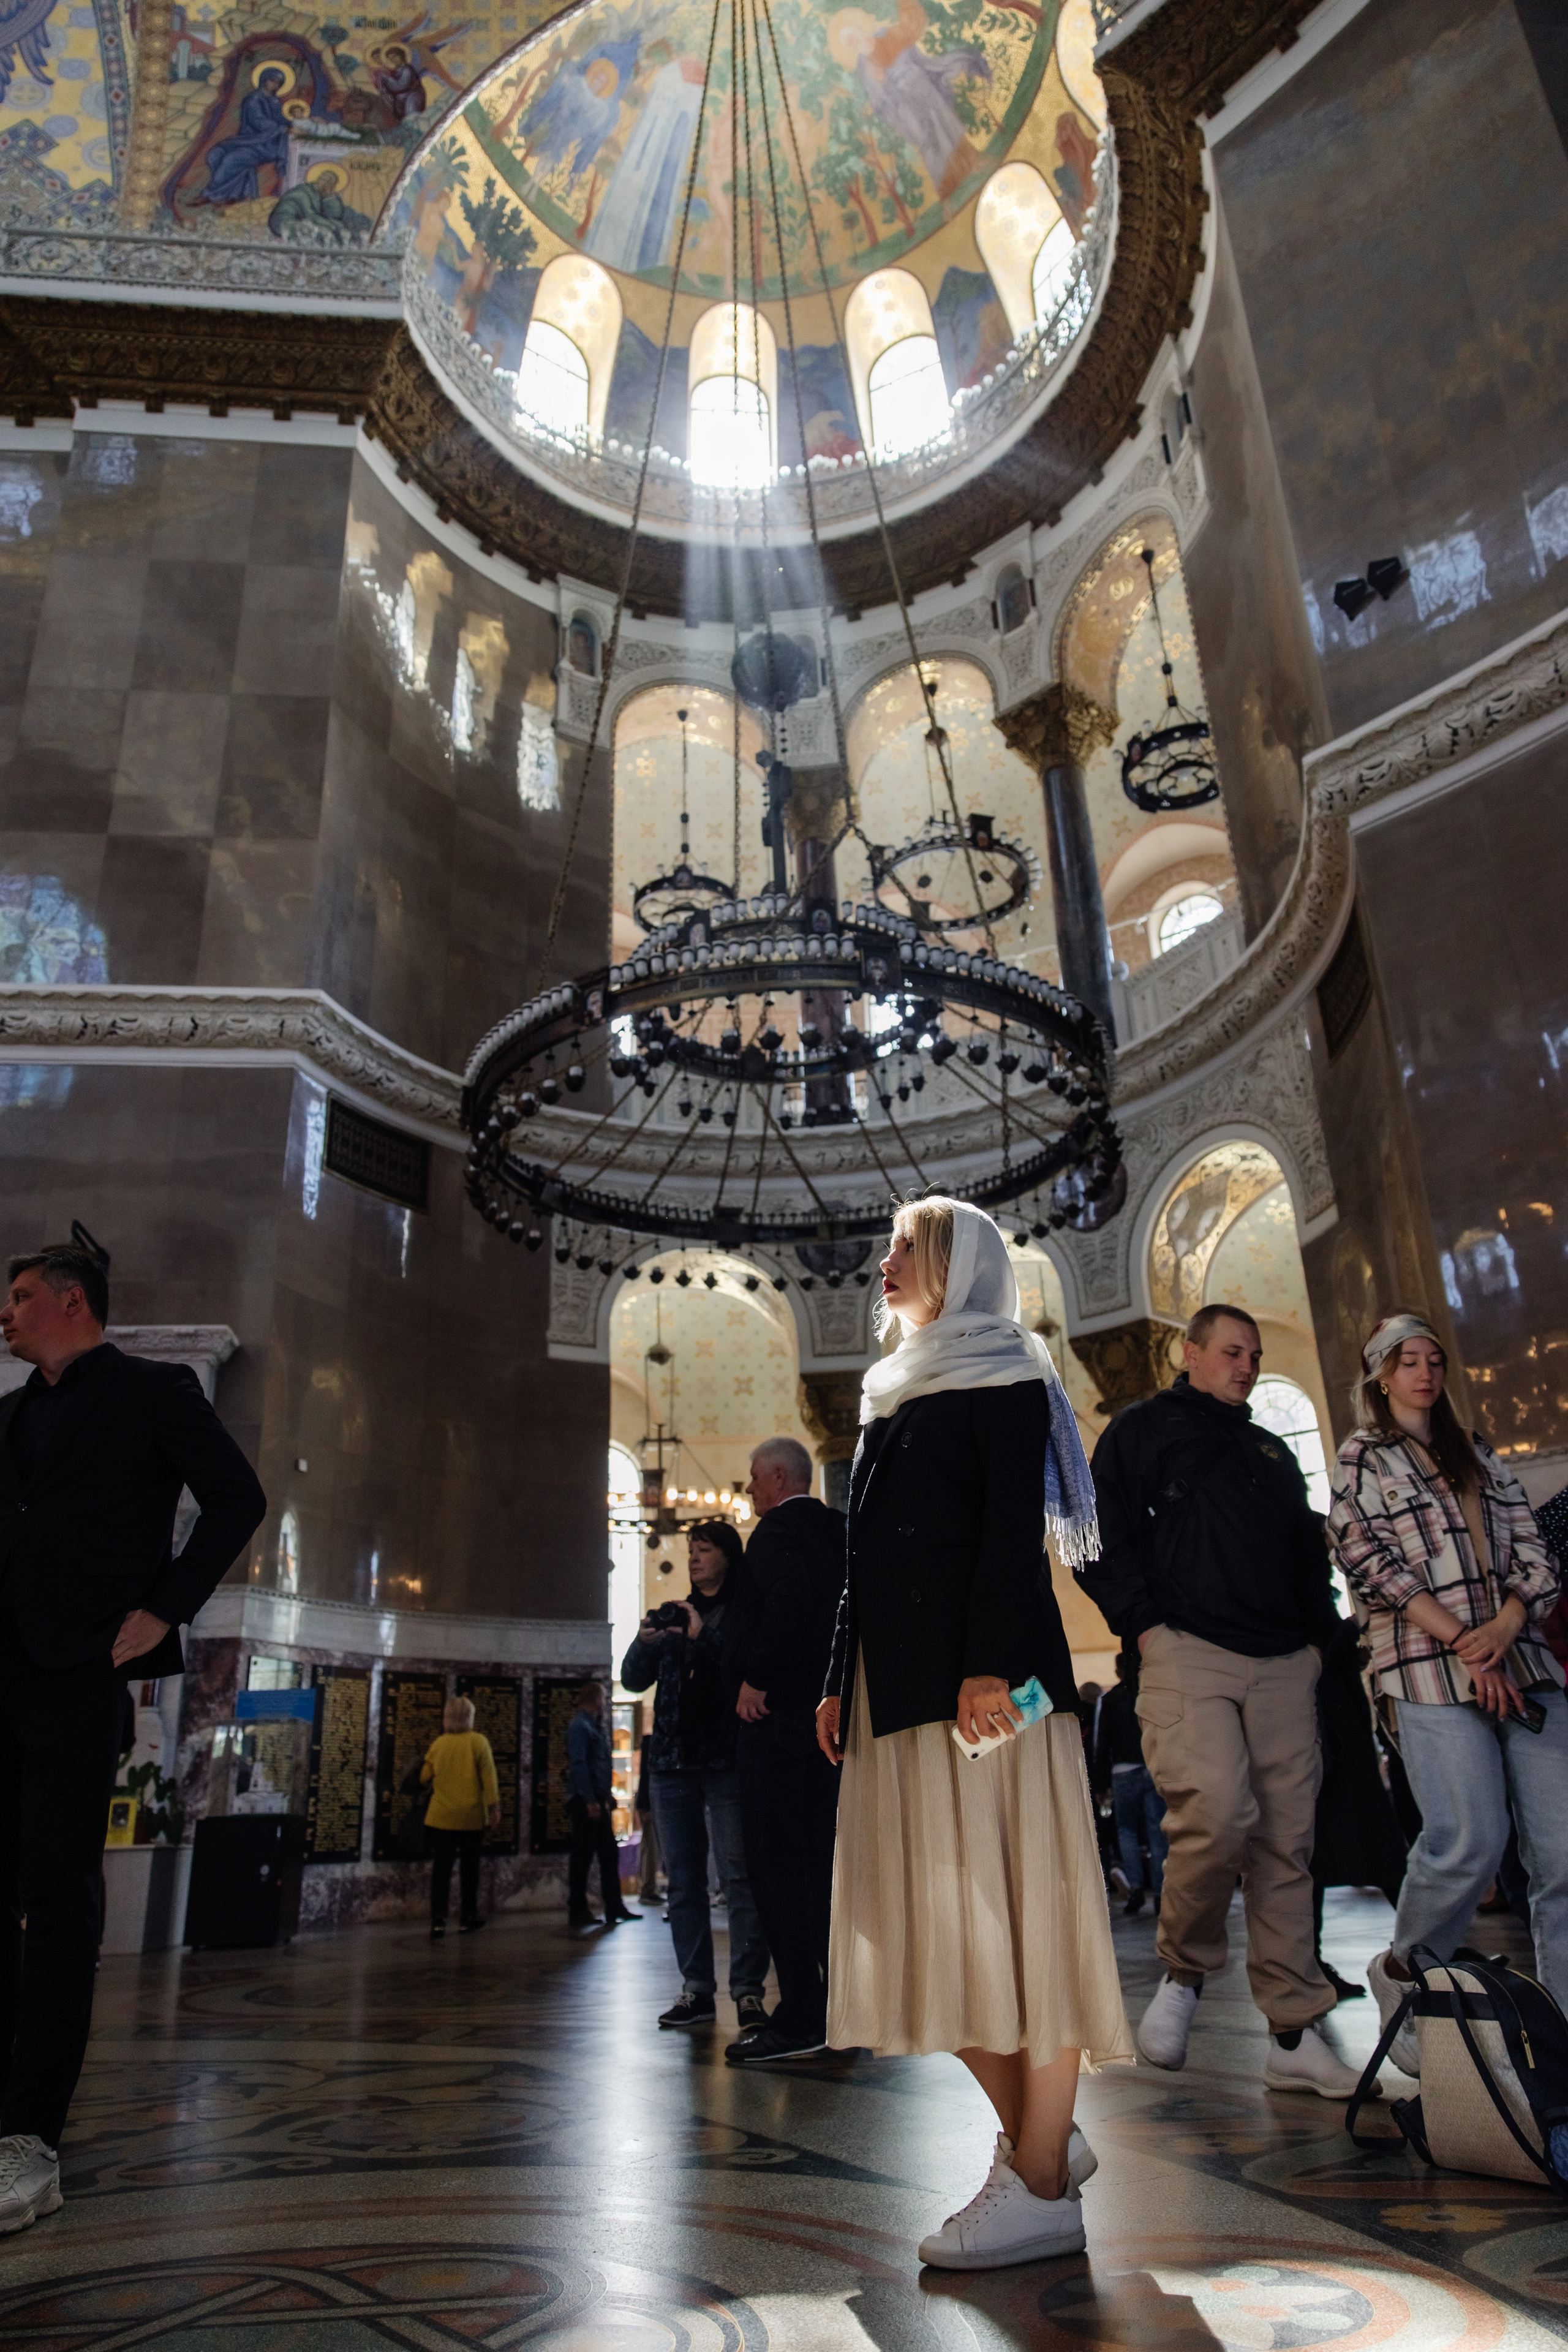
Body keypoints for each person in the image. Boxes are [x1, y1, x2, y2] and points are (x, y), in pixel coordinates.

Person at [818, 1197, 1130, 2274]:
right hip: (894, 1693)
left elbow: (1011, 1534)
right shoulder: (888, 1391)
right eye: (895, 1245)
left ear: (961, 1268)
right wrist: (832, 1681)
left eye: (911, 1247)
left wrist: (990, 1664)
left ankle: (1041, 2182)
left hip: (993, 1690)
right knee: (917, 1932)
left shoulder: (1005, 1370)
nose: (886, 1260)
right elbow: (863, 1557)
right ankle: (1048, 2142)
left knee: (1020, 1916)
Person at [0, 1243, 266, 2233]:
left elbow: (238, 1499)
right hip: (2, 1670)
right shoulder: (10, 1415)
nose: (7, 1312)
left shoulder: (152, 1395)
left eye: (20, 1297)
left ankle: (29, 2136)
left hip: (78, 1677)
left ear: (73, 1302)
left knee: (58, 1900)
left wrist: (164, 1610)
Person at [1082, 1303, 1360, 2097]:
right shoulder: (1143, 1428)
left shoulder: (1272, 1450)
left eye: (1256, 1355)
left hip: (1283, 1661)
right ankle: (1184, 1972)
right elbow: (1093, 1530)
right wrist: (1144, 1626)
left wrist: (1315, 1643)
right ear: (1190, 1352)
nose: (1247, 1365)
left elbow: (1309, 1553)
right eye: (1232, 1352)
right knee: (1218, 1811)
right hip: (1188, 1650)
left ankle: (1294, 2032)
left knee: (1285, 1842)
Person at [1327, 1311, 1566, 2067]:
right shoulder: (1363, 1456)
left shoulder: (1483, 1458)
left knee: (1562, 1855)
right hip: (1429, 1669)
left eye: (1433, 1360)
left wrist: (1504, 1627)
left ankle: (1560, 2029)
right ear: (1380, 1376)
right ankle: (1407, 1968)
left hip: (1522, 1664)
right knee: (1470, 1840)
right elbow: (1364, 1558)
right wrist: (1466, 1640)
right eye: (1407, 1362)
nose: (1424, 1372)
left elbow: (1535, 1553)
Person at [722, 1435, 846, 2065]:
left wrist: (757, 1676)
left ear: (776, 1477)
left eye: (752, 1478)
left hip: (776, 1723)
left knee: (774, 1866)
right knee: (823, 1866)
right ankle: (842, 2008)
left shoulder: (775, 1534)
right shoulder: (839, 1530)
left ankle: (799, 2012)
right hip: (830, 1723)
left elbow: (790, 1599)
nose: (748, 1490)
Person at [620, 1520, 769, 2032]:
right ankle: (696, 1990)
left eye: (704, 1550)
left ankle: (748, 1991)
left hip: (725, 1759)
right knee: (682, 1882)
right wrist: (645, 1641)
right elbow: (632, 1679)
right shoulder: (675, 1615)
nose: (694, 1558)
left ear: (728, 1556)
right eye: (691, 1551)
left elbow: (740, 1669)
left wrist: (703, 1639)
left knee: (739, 1876)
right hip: (670, 1764)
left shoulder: (742, 1614)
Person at [421, 1693, 501, 1940]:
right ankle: (467, 1918)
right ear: (469, 1717)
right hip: (471, 1818)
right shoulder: (478, 1742)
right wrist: (495, 1809)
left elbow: (424, 1777)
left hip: (440, 1817)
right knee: (470, 1870)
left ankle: (438, 1921)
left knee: (441, 1870)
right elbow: (489, 1778)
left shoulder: (439, 1744)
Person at [1091, 1651, 1166, 1917]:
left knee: (1126, 1830)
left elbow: (1102, 1743)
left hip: (1123, 1771)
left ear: (1117, 1672)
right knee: (1157, 1831)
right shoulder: (1150, 1694)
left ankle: (1135, 1889)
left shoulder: (1110, 1700)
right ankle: (1159, 1894)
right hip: (1152, 1768)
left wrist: (1100, 1784)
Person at [564, 1681, 638, 1931]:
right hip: (587, 1802)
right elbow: (580, 1765)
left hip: (598, 1799)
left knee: (609, 1853)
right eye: (603, 1698)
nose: (605, 1703)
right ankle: (578, 1910)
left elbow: (598, 1765)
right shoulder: (580, 1726)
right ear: (595, 1699)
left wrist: (606, 1796)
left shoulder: (593, 1726)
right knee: (583, 1856)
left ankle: (614, 1906)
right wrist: (589, 1800)